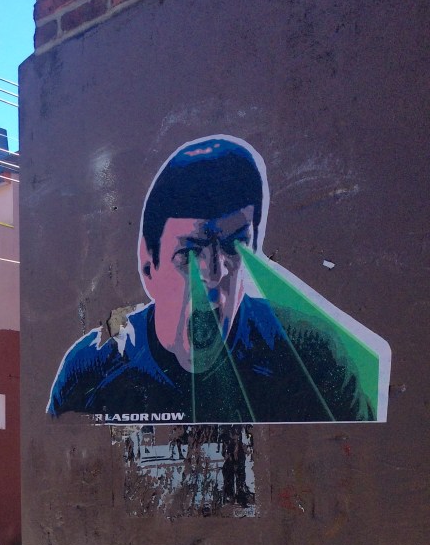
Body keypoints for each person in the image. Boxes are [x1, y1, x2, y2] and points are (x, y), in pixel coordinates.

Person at [47, 136, 389, 423]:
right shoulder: (92, 370)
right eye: (189, 253)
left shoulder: (313, 359)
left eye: (235, 246)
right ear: (149, 264)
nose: (214, 275)